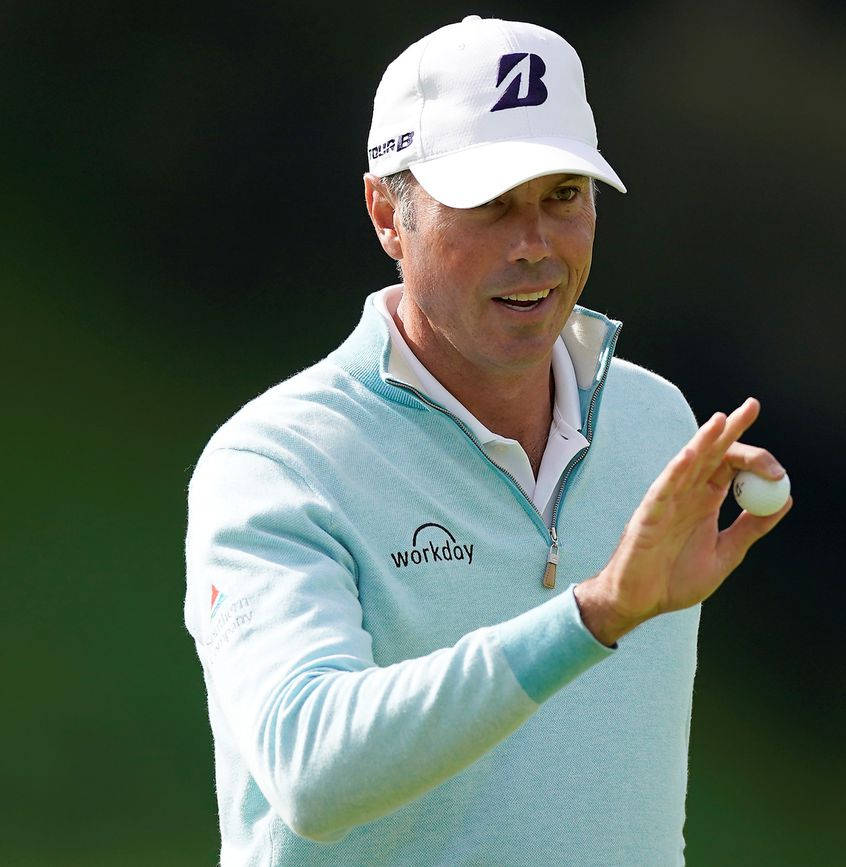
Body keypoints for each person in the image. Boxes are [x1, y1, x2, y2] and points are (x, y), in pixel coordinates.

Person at [184, 15, 791, 865]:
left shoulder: (657, 425)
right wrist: (592, 613)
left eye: (563, 195)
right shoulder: (277, 463)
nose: (534, 246)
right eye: (489, 203)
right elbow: (311, 769)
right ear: (387, 215)